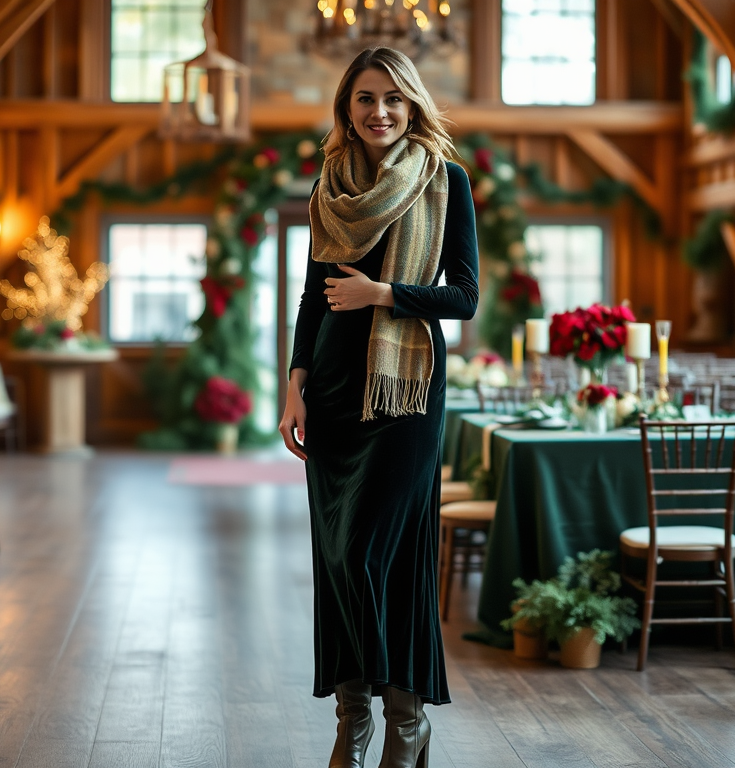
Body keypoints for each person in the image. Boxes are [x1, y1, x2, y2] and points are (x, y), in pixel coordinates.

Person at [278, 47, 479, 768]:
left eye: (393, 98)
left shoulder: (445, 181)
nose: (379, 111)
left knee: (375, 553)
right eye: (365, 98)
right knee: (338, 557)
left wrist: (384, 294)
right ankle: (353, 719)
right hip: (332, 391)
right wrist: (294, 384)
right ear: (347, 109)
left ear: (413, 104)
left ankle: (408, 717)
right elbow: (310, 297)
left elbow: (463, 296)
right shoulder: (329, 184)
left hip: (406, 392)